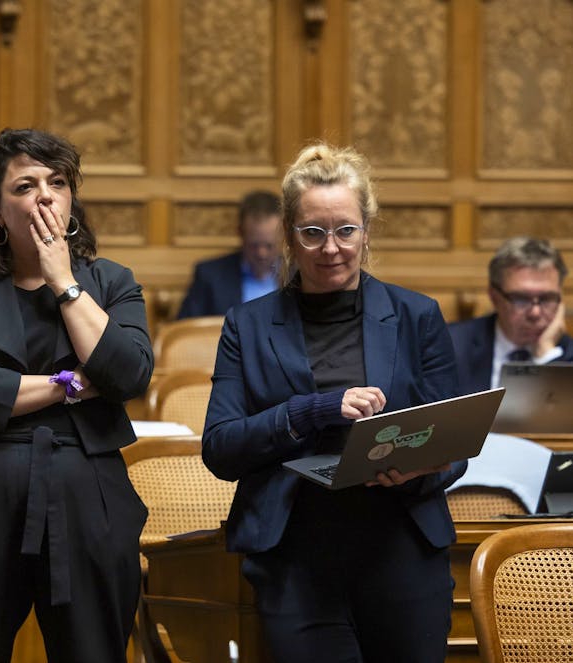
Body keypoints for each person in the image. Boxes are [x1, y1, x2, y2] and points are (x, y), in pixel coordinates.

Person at [202, 143, 463, 663]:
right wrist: (311, 410)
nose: (331, 249)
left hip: (401, 543)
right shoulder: (248, 325)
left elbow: (452, 440)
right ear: (289, 236)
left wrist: (416, 471)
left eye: (345, 230)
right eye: (313, 233)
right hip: (295, 555)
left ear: (367, 230)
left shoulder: (417, 315)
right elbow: (221, 448)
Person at [0, 128, 152, 663]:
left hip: (88, 494)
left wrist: (63, 281)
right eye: (25, 186)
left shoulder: (111, 282)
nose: (45, 195)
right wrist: (66, 385)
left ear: (71, 199)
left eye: (58, 182)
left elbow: (129, 375)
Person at [449, 237, 571, 393]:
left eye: (547, 298)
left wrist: (545, 356)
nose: (535, 312)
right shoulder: (452, 346)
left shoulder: (567, 356)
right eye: (521, 299)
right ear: (494, 296)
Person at [177, 189, 282, 318]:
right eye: (253, 245)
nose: (262, 253)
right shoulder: (210, 276)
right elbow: (184, 331)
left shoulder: (299, 276)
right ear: (240, 233)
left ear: (283, 236)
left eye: (269, 245)